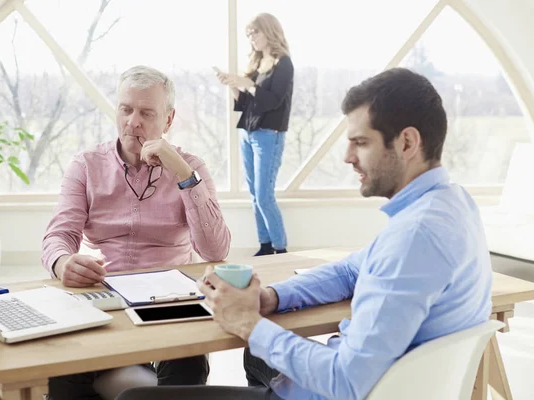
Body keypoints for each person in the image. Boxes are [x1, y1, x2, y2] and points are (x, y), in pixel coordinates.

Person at [117, 68, 493, 400]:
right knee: (257, 351)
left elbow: (346, 381)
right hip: (376, 380)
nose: (347, 156)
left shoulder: (415, 236)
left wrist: (250, 324)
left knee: (135, 398)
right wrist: (269, 298)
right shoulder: (449, 204)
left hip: (337, 389)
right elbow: (349, 272)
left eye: (360, 142)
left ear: (408, 143)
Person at [42, 65, 231, 399]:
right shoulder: (86, 165)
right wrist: (62, 262)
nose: (133, 122)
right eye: (126, 109)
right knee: (65, 368)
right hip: (104, 295)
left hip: (170, 300)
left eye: (146, 113)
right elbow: (59, 235)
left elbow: (216, 250)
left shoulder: (192, 168)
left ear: (168, 120)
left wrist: (184, 175)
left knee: (187, 365)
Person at [215, 12, 293, 256]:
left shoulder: (283, 64)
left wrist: (246, 83)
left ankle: (281, 249)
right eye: (249, 35)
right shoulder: (257, 65)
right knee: (254, 194)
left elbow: (271, 100)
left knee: (264, 195)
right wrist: (234, 86)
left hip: (269, 134)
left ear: (268, 31)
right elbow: (248, 104)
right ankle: (266, 245)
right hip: (248, 133)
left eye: (255, 33)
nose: (252, 39)